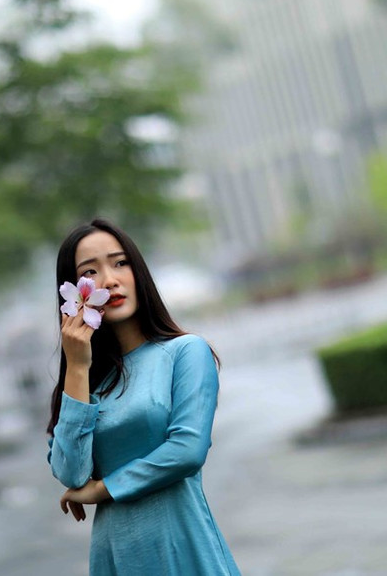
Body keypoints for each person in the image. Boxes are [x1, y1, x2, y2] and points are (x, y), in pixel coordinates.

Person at [46, 218, 241, 575]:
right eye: (91, 272)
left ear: (139, 271)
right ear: (74, 295)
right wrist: (77, 367)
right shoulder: (83, 384)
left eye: (120, 263)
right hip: (116, 557)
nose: (109, 279)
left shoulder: (185, 353)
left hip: (180, 548)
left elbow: (187, 451)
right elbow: (71, 473)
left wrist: (103, 489)